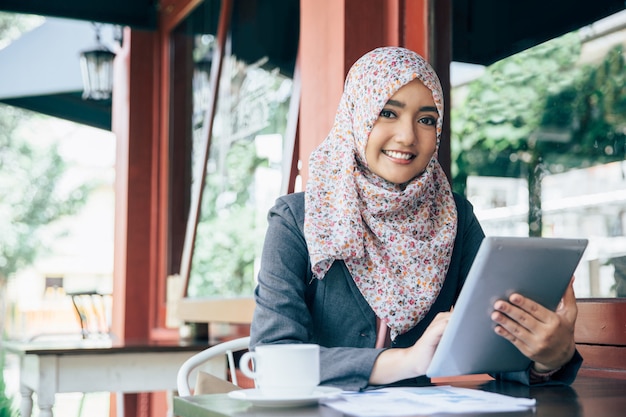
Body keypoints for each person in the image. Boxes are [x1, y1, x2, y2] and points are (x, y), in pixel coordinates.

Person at [249, 46, 582, 391]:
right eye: (388, 113)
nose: (408, 136)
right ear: (357, 115)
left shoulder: (454, 216)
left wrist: (547, 357)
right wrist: (406, 361)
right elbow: (273, 357)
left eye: (426, 119)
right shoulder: (297, 218)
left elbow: (491, 342)